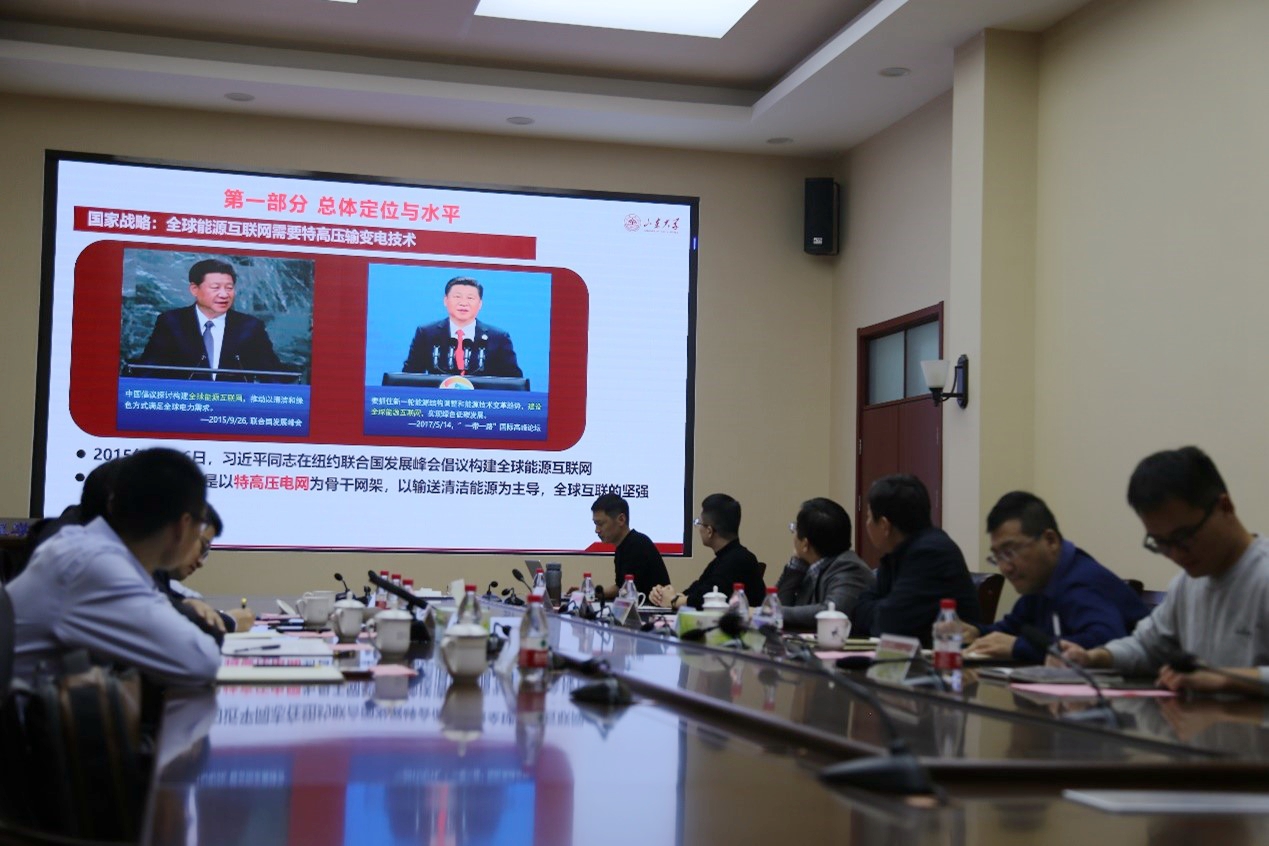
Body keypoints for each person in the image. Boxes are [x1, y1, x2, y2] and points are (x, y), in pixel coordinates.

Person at [1061, 447, 1269, 695]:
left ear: (1225, 507)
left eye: (1184, 536)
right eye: (1161, 543)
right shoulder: (1186, 584)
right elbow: (1146, 647)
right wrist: (1095, 657)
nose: (1176, 554)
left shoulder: (1262, 575)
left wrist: (1225, 679)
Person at [7, 447, 222, 685]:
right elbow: (201, 661)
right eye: (199, 526)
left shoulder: (81, 543)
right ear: (183, 525)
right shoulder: (96, 565)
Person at [962, 491, 1148, 662]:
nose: (1005, 568)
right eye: (997, 556)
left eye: (1010, 552)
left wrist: (1018, 647)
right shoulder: (1041, 581)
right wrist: (976, 632)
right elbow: (1012, 629)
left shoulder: (1083, 582)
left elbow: (1103, 642)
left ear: (1050, 541)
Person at [850, 474, 980, 645]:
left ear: (884, 525)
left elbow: (890, 624)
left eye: (868, 516)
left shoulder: (931, 553)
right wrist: (884, 608)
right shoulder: (898, 553)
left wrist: (883, 609)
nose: (867, 523)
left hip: (948, 657)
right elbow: (859, 610)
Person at [135, 258, 286, 382]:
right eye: (215, 287)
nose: (224, 294)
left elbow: (273, 375)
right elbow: (148, 371)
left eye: (229, 288)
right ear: (194, 289)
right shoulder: (171, 322)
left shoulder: (250, 327)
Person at [154, 504, 255, 641]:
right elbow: (173, 622)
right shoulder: (142, 577)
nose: (201, 563)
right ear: (182, 527)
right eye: (203, 547)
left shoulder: (159, 578)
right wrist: (231, 621)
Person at [648, 493, 764, 610]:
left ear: (709, 531)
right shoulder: (725, 558)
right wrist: (663, 595)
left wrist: (673, 601)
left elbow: (704, 599)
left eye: (699, 523)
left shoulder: (738, 560)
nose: (698, 528)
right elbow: (696, 590)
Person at [776, 497, 875, 631]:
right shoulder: (810, 566)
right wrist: (795, 567)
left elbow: (832, 612)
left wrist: (773, 612)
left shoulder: (849, 568)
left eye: (795, 528)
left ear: (805, 544)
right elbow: (779, 607)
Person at [401, 276, 523, 378]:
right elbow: (409, 377)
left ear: (480, 304)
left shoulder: (498, 337)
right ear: (445, 300)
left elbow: (514, 381)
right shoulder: (426, 333)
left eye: (470, 298)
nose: (463, 303)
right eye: (457, 297)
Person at [590, 493, 670, 598]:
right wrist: (589, 593)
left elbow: (628, 591)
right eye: (595, 524)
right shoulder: (622, 546)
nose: (597, 530)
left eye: (600, 524)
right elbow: (621, 587)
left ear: (621, 519)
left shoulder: (638, 545)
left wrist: (592, 594)